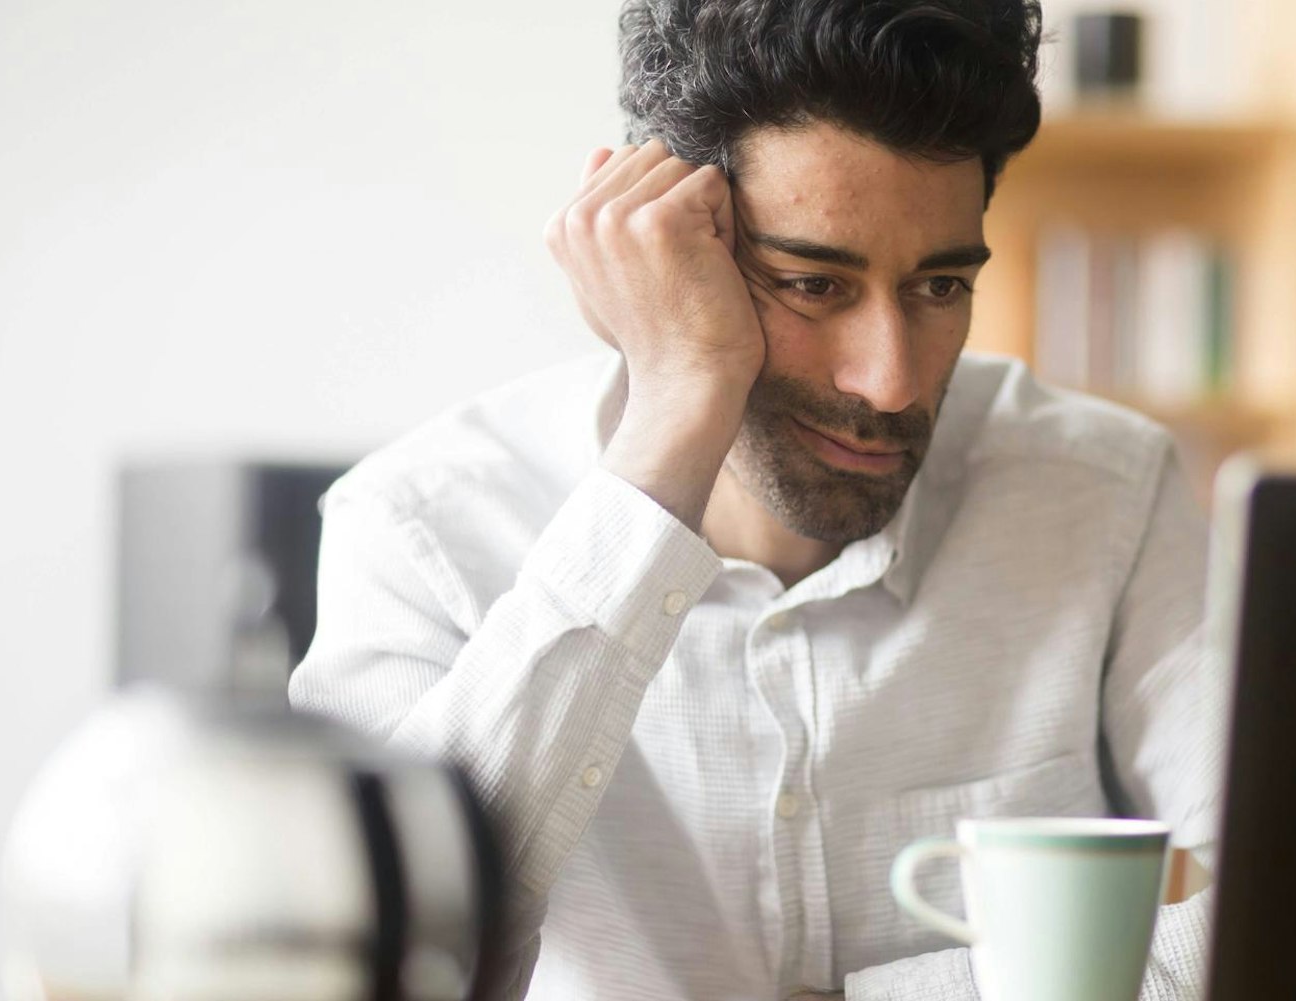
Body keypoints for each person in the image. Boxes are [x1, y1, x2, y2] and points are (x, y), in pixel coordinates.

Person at [288, 0, 1224, 997]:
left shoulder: (1102, 492)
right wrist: (676, 415)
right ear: (665, 247)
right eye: (811, 285)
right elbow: (382, 969)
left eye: (938, 287)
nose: (890, 380)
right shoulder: (418, 527)